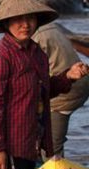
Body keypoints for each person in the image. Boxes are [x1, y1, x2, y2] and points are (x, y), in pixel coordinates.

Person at [0, 0, 89, 169]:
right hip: (10, 145)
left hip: (32, 139)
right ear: (6, 23)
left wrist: (68, 77)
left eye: (30, 18)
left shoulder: (36, 53)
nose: (25, 24)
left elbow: (42, 91)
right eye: (18, 19)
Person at [32, 19, 89, 157]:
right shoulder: (51, 25)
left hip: (66, 91)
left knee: (51, 148)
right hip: (79, 81)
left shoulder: (33, 37)